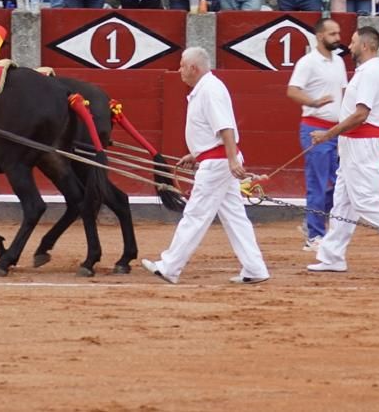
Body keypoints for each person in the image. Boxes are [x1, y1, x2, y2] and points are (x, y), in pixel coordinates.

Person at [142, 47, 270, 285]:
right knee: (234, 216)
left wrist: (231, 159)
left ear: (194, 68)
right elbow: (214, 132)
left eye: (182, 65)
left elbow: (225, 128)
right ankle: (255, 267)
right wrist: (196, 154)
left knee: (195, 214)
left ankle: (170, 266)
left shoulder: (209, 90)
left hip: (218, 164)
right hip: (217, 160)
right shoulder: (207, 89)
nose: (179, 70)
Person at [306, 26, 379, 275]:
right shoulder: (369, 73)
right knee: (342, 203)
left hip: (360, 143)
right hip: (354, 143)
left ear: (366, 46)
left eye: (353, 42)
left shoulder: (371, 74)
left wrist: (329, 134)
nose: (349, 46)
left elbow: (362, 113)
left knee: (367, 201)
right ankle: (332, 256)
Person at [287, 20, 347, 252]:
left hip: (336, 130)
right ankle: (314, 234)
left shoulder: (339, 62)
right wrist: (313, 102)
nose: (337, 37)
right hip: (314, 129)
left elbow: (342, 92)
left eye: (338, 32)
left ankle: (312, 223)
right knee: (319, 183)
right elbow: (292, 91)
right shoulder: (308, 62)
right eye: (332, 33)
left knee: (338, 183)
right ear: (319, 36)